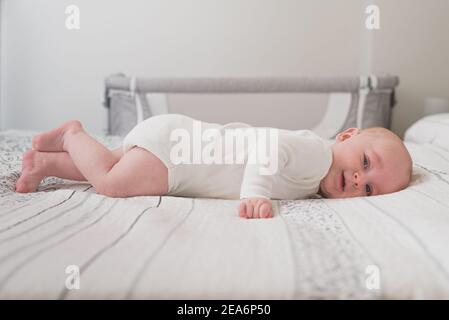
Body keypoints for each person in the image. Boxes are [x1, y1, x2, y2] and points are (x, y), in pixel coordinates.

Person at [15, 114, 413, 219]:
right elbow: (267, 148)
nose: (360, 180)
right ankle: (72, 134)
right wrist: (255, 193)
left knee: (113, 165)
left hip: (180, 145)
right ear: (345, 136)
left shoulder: (314, 180)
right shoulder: (318, 155)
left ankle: (44, 164)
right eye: (365, 162)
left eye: (370, 189)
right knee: (111, 181)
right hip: (181, 156)